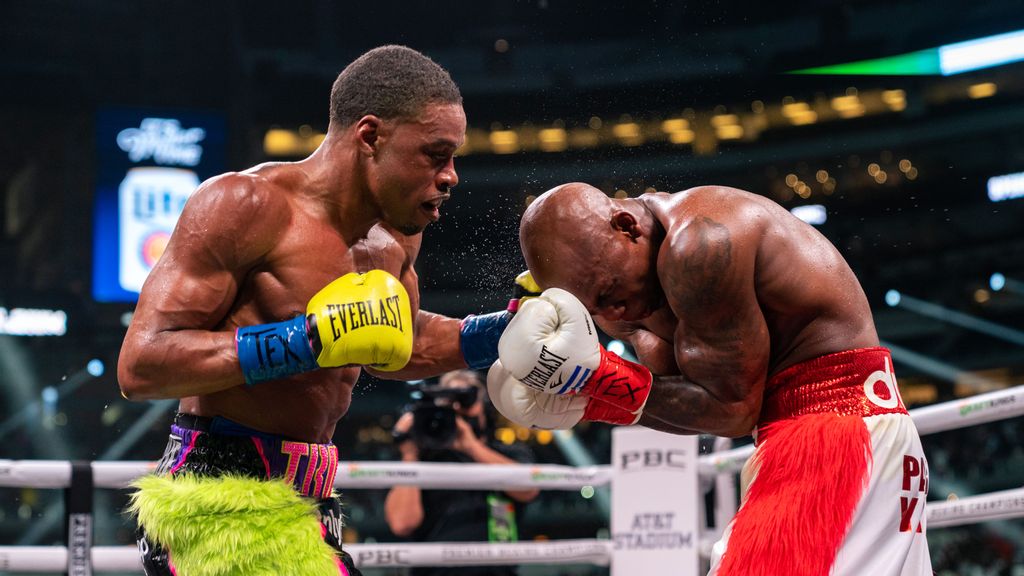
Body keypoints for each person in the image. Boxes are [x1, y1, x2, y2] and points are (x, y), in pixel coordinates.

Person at [118, 46, 517, 576]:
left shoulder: (394, 240)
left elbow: (399, 346)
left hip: (312, 501)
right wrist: (304, 341)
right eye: (434, 154)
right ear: (370, 136)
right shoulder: (245, 204)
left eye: (453, 158)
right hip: (216, 502)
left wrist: (503, 334)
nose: (451, 176)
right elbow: (142, 363)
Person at [487, 182, 932, 575]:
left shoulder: (698, 244)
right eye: (595, 309)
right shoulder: (625, 283)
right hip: (837, 437)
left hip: (836, 436)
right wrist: (590, 397)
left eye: (607, 295)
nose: (612, 315)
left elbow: (733, 409)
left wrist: (598, 383)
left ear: (626, 226)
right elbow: (690, 403)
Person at [385, 370, 539, 576]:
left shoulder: (508, 453)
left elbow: (528, 489)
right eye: (449, 404)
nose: (457, 410)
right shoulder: (421, 462)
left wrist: (471, 447)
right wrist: (410, 453)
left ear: (484, 408)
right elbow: (402, 524)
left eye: (464, 401)